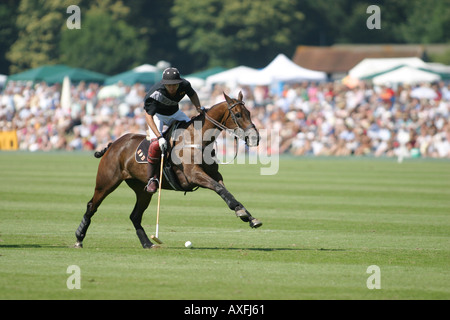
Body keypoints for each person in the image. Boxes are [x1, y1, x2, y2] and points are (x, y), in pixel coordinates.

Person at [143, 67, 202, 193]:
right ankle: (152, 179)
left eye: (174, 85)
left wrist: (199, 108)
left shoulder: (184, 84)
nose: (172, 88)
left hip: (175, 113)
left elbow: (193, 94)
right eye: (169, 85)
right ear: (164, 84)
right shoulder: (155, 94)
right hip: (157, 116)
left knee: (195, 133)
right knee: (155, 145)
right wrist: (159, 137)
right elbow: (148, 116)